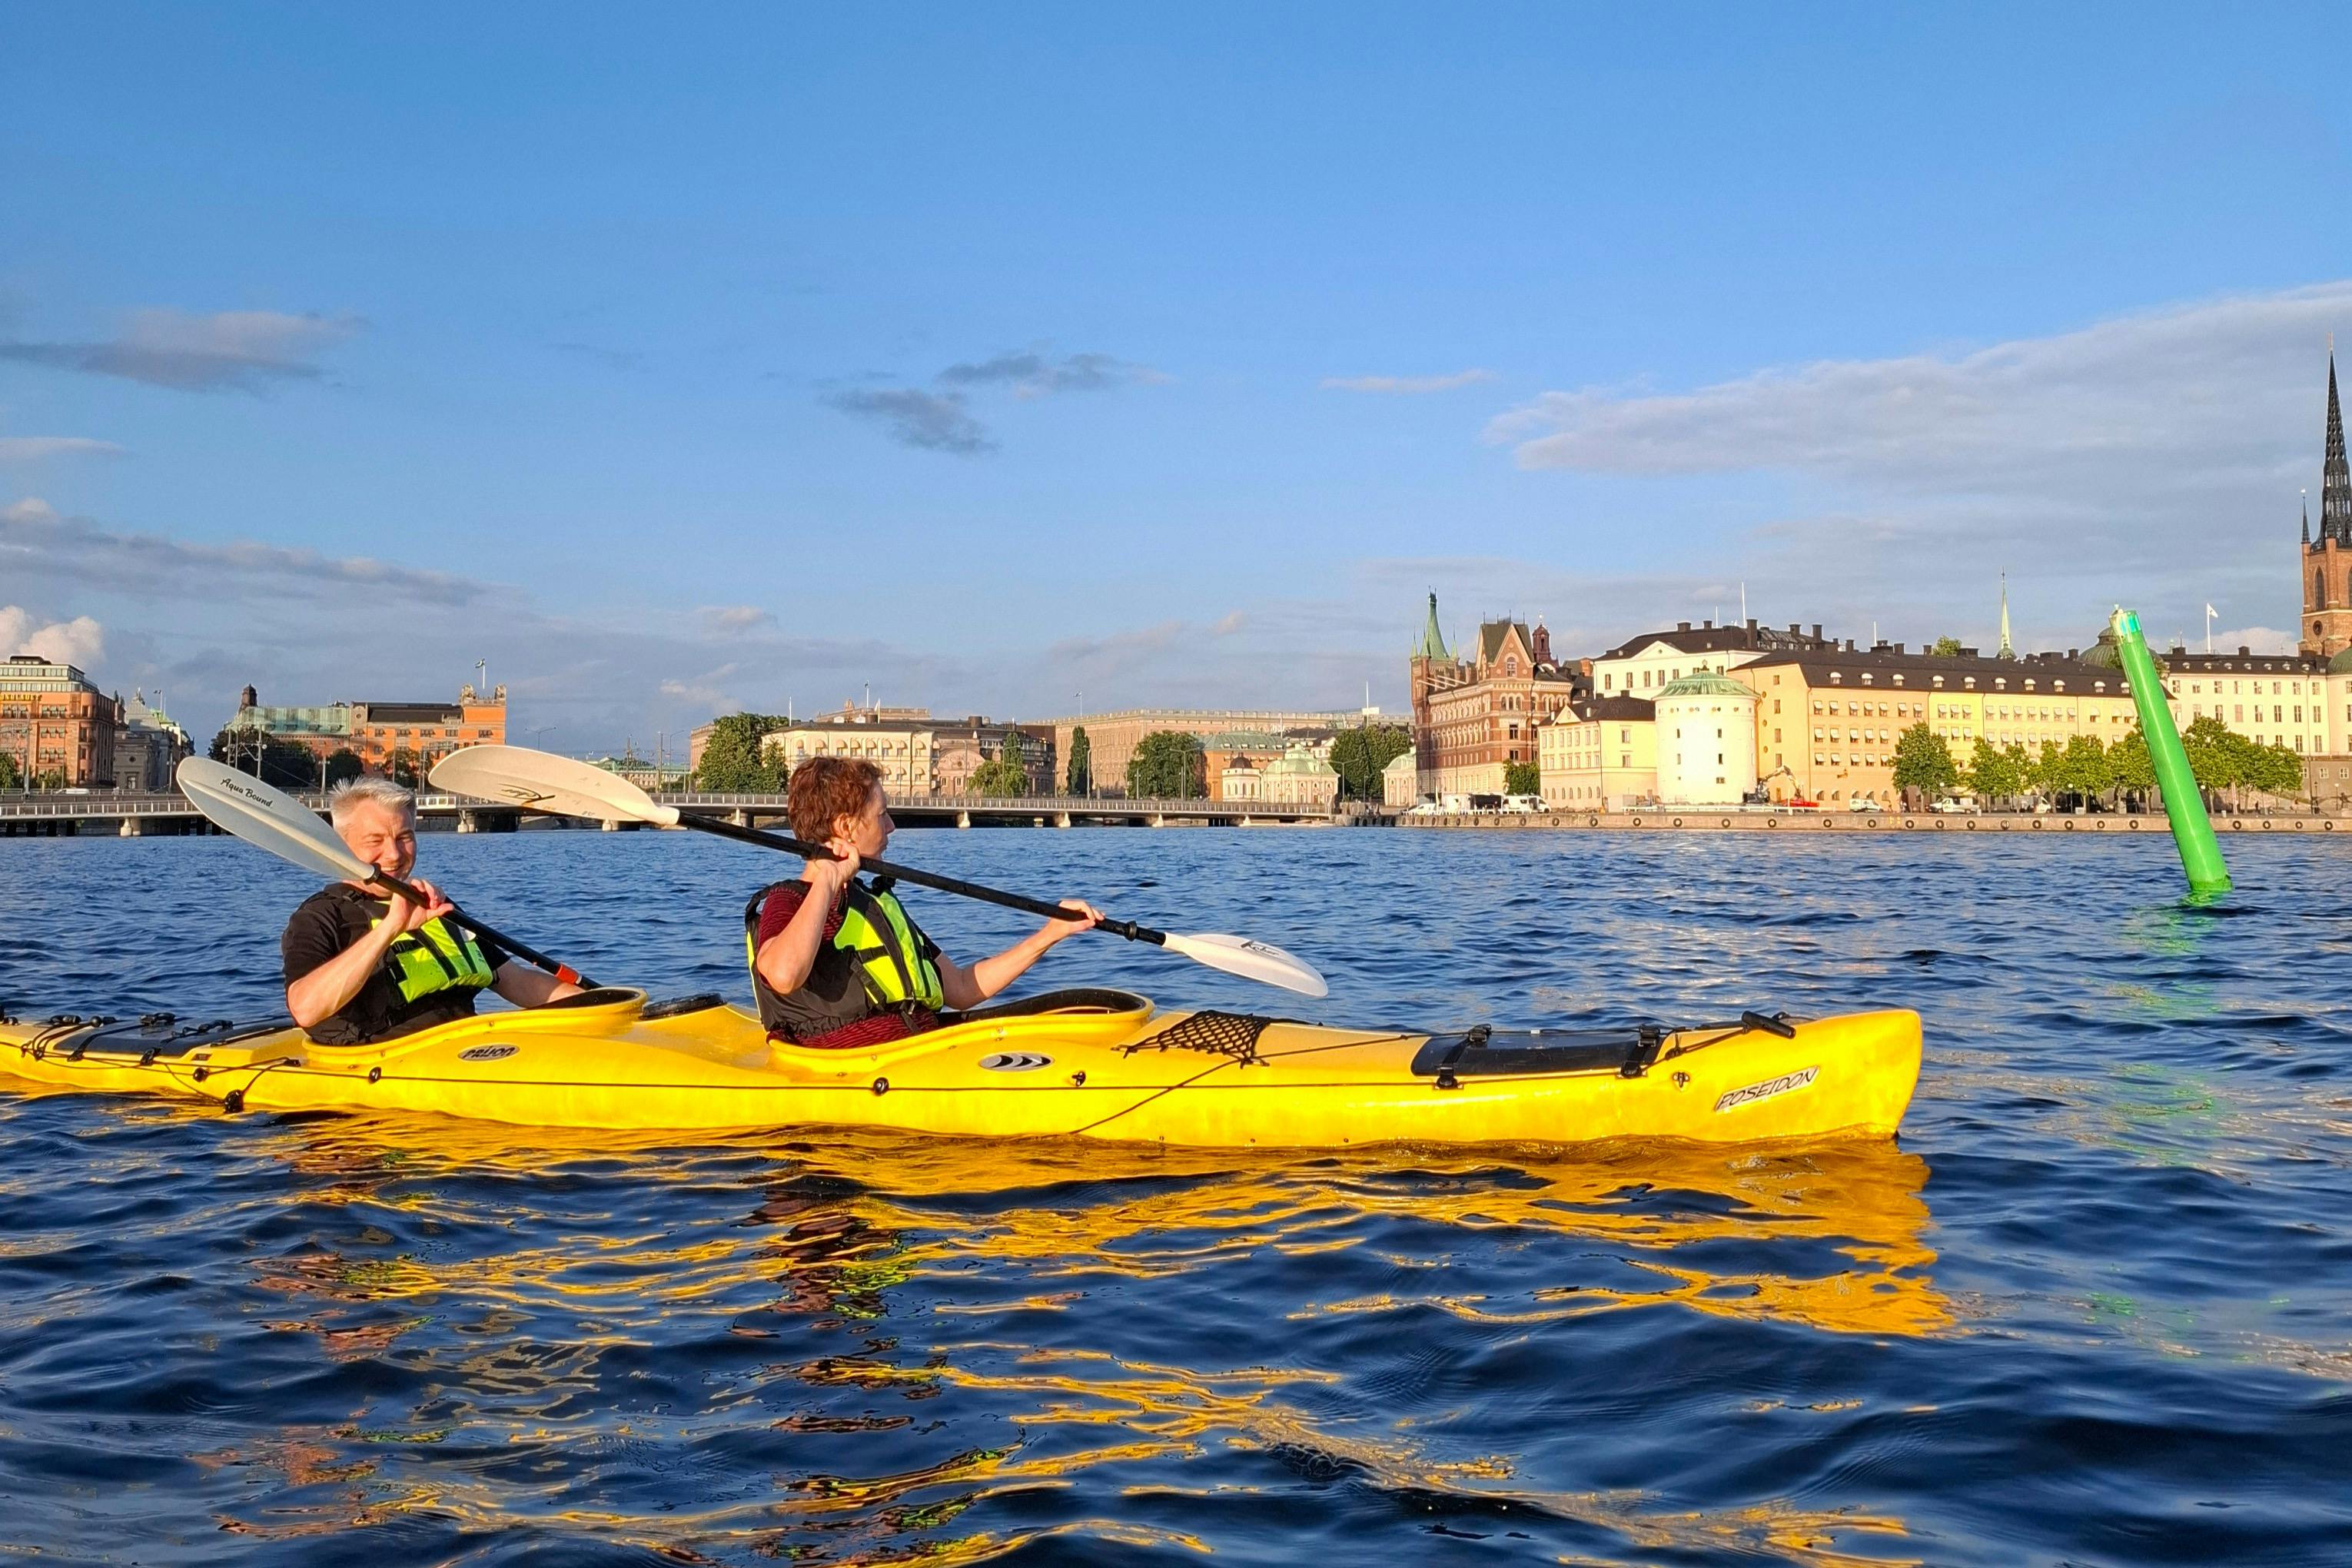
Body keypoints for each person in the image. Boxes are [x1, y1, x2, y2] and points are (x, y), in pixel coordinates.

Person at [747, 757, 1103, 1047]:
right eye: (880, 815)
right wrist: (826, 878)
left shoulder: (873, 906)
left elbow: (962, 989)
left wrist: (1051, 934)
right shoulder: (787, 900)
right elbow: (782, 975)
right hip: (860, 1071)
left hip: (919, 1049)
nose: (891, 827)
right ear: (846, 827)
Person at [281, 774, 583, 1044]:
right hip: (380, 1067)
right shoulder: (319, 917)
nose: (394, 854)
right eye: (376, 840)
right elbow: (305, 1009)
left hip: (467, 1049)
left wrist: (602, 1006)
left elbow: (517, 981)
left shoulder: (434, 905)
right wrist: (391, 927)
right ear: (341, 845)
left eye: (405, 837)